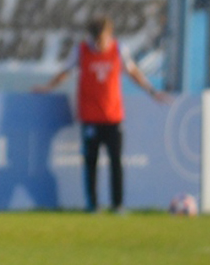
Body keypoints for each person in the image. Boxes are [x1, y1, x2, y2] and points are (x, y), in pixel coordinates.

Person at [33, 16, 167, 213]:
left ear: (110, 35)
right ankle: (92, 205)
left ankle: (118, 205)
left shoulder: (120, 50)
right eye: (97, 40)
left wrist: (152, 91)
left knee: (116, 162)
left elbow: (133, 72)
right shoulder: (81, 51)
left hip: (113, 116)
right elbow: (65, 71)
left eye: (103, 39)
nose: (100, 44)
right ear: (91, 37)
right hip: (90, 116)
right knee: (91, 163)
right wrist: (48, 87)